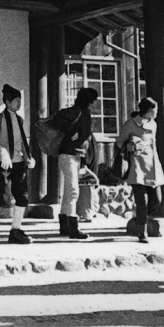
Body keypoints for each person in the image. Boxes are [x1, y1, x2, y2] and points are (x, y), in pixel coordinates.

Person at [0, 84, 36, 244]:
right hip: (3, 163)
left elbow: (23, 142)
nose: (19, 103)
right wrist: (2, 151)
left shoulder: (19, 119)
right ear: (8, 102)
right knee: (2, 198)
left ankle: (15, 231)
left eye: (20, 100)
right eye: (16, 100)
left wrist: (28, 157)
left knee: (22, 197)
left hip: (19, 163)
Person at [115, 97, 164, 243]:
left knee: (157, 199)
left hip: (153, 165)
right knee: (142, 200)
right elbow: (119, 142)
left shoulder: (154, 124)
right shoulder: (130, 124)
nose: (157, 112)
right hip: (136, 166)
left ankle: (139, 218)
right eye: (156, 110)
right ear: (149, 111)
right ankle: (142, 232)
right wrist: (132, 147)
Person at [53, 87, 99, 240]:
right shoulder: (76, 112)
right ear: (89, 101)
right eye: (94, 101)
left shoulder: (84, 113)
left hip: (74, 156)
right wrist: (71, 134)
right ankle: (73, 228)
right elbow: (57, 120)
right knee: (73, 191)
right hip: (68, 155)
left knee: (68, 191)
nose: (95, 103)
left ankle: (64, 226)